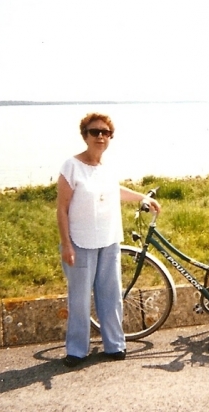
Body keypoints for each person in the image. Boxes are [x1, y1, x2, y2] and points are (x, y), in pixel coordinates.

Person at [56, 112, 160, 368]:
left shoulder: (107, 167)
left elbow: (115, 190)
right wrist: (67, 245)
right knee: (79, 299)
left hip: (109, 240)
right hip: (80, 242)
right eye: (94, 132)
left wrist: (142, 198)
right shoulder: (71, 166)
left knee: (111, 295)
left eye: (105, 132)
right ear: (85, 136)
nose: (100, 136)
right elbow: (62, 208)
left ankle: (115, 345)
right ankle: (77, 350)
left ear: (110, 137)